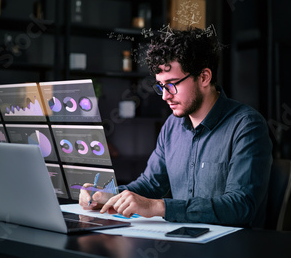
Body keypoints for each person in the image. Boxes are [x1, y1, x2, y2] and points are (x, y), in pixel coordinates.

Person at [79, 27, 272, 227]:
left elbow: (241, 207)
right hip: (183, 242)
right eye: (160, 86)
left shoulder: (246, 126)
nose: (165, 96)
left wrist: (159, 207)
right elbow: (150, 185)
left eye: (171, 84)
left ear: (204, 77)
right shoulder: (172, 125)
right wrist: (107, 195)